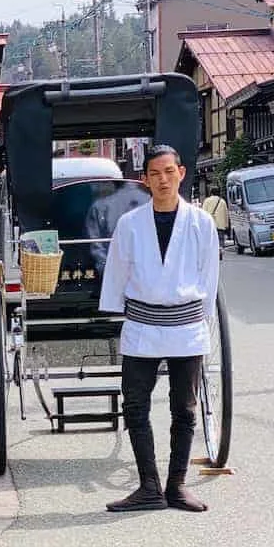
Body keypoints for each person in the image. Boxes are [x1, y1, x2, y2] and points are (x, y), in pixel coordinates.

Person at [99, 145, 219, 513]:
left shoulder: (201, 223)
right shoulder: (129, 224)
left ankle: (177, 485)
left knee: (184, 410)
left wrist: (204, 320)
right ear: (145, 179)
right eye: (155, 173)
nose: (163, 179)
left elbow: (209, 277)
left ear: (181, 173)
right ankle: (149, 486)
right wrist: (113, 312)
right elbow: (117, 272)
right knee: (135, 406)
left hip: (185, 325)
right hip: (142, 325)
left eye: (169, 171)